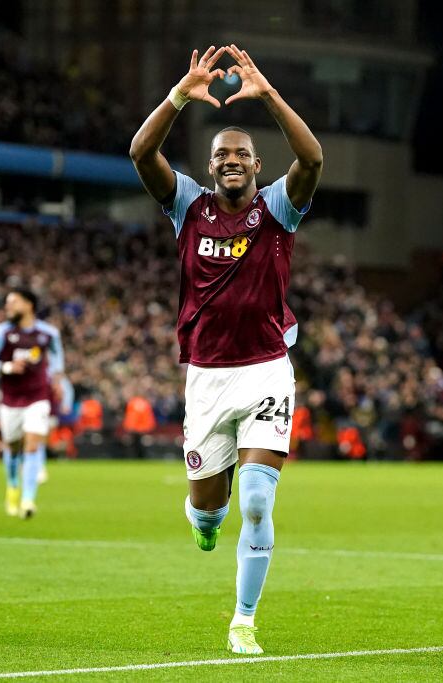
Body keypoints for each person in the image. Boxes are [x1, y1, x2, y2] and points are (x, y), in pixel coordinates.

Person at [129, 43, 323, 654]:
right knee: (209, 512)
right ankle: (206, 520)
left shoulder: (277, 211)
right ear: (210, 167)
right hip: (206, 380)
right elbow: (140, 152)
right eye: (221, 155)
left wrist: (267, 95)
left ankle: (243, 620)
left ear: (258, 165)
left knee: (260, 499)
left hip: (266, 371)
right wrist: (178, 96)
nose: (231, 160)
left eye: (241, 153)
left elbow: (313, 157)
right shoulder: (188, 207)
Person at [0, 290, 64, 519]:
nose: (8, 308)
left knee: (33, 445)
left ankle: (28, 499)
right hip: (10, 400)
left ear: (29, 305)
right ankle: (13, 485)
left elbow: (57, 358)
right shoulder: (1, 333)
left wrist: (58, 379)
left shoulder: (48, 333)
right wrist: (7, 367)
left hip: (38, 398)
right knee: (13, 447)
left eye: (13, 303)